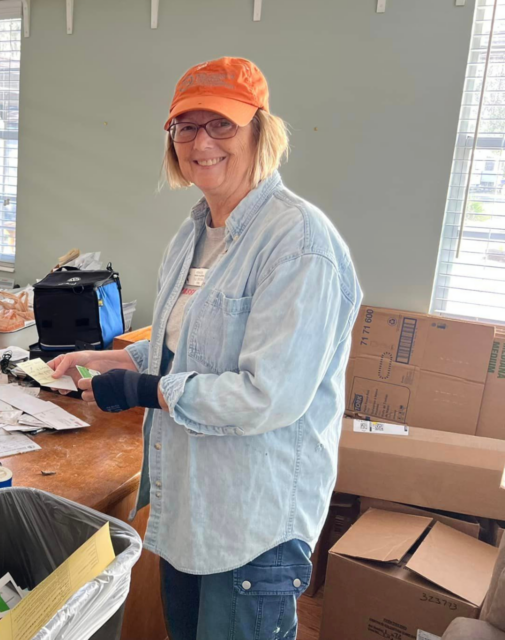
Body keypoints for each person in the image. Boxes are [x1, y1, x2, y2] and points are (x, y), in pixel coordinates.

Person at [51, 58, 362, 639]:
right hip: (187, 512)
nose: (201, 142)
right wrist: (114, 360)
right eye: (186, 126)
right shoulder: (192, 234)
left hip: (252, 526)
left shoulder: (299, 242)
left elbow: (267, 395)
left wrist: (142, 390)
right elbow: (188, 354)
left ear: (259, 132)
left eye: (221, 125)